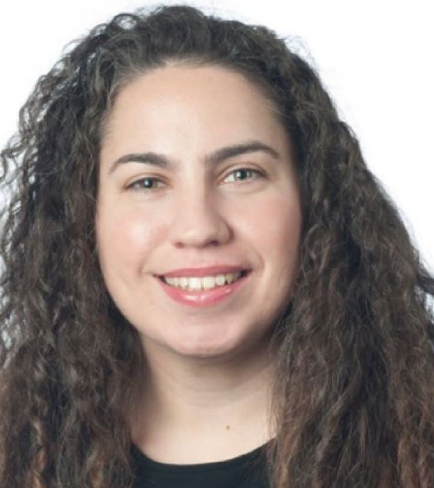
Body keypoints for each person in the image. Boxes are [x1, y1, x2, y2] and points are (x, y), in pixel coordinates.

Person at [1, 5, 433, 488]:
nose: (198, 227)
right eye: (147, 182)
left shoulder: (419, 439)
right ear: (84, 217)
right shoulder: (17, 448)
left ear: (314, 199)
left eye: (242, 174)